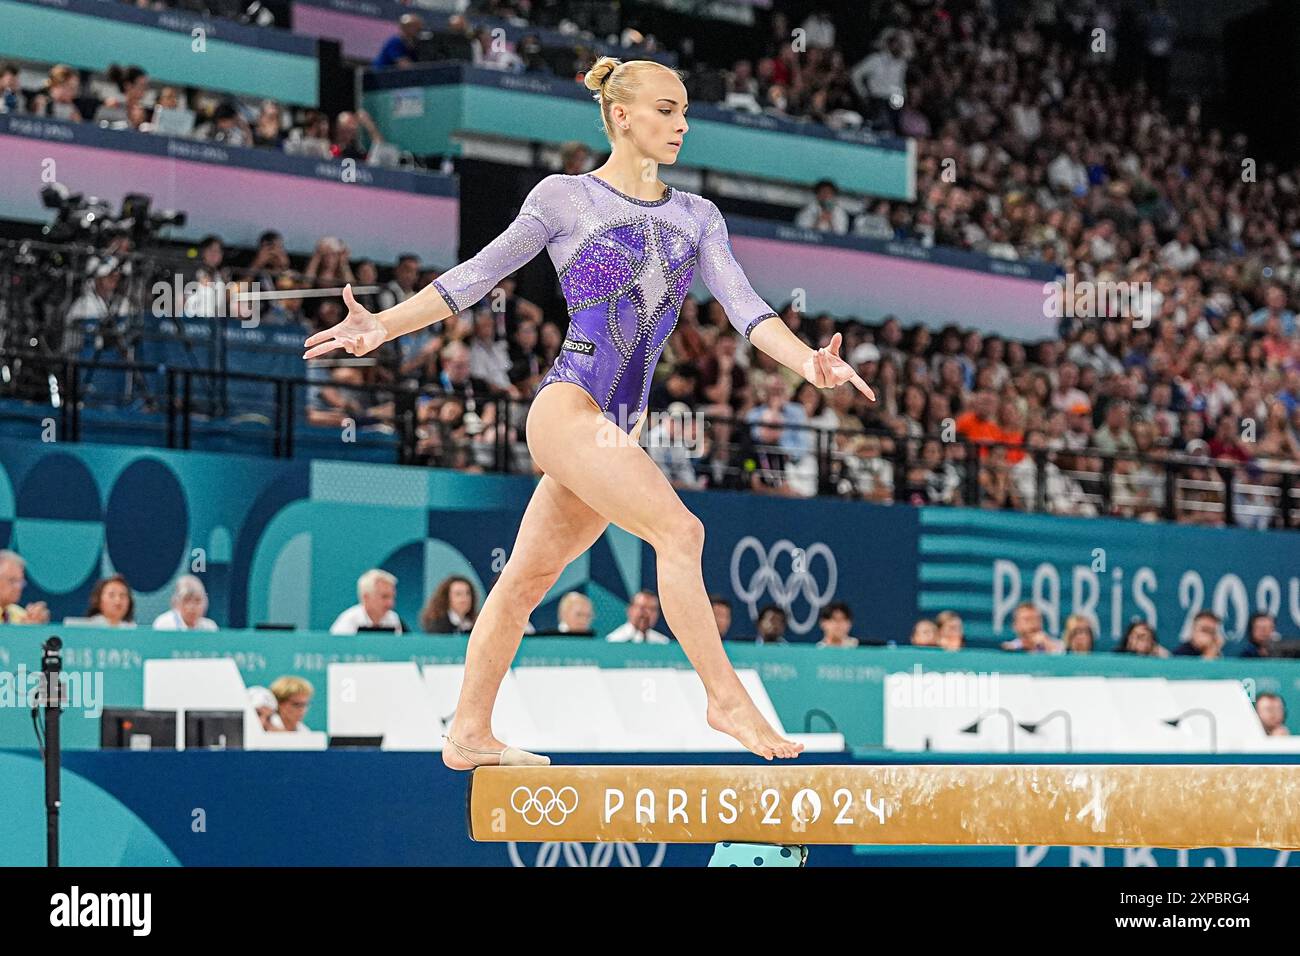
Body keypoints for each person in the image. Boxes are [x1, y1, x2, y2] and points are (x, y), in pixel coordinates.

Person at [304, 56, 875, 769]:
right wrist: (381, 327)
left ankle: (468, 732)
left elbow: (746, 309)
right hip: (567, 409)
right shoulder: (565, 197)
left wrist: (807, 363)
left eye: (685, 111)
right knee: (680, 531)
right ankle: (724, 697)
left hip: (615, 429)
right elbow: (476, 276)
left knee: (524, 583)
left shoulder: (698, 217)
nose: (682, 124)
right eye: (666, 109)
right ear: (621, 114)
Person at [330, 569, 403, 634]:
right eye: (384, 597)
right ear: (366, 598)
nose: (391, 603)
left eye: (392, 597)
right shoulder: (348, 621)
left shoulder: (393, 619)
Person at [151, 574, 219, 631]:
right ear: (176, 603)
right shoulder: (164, 624)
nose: (192, 607)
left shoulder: (210, 627)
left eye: (197, 601)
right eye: (186, 601)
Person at [605, 590, 670, 644]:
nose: (647, 613)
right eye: (642, 608)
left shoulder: (662, 643)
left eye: (652, 609)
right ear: (630, 610)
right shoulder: (614, 641)